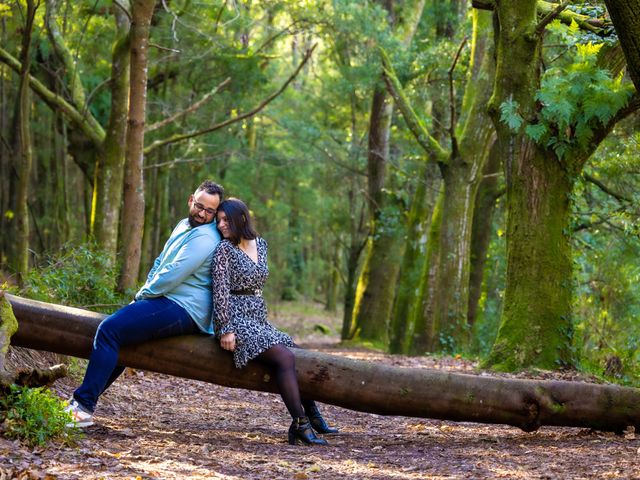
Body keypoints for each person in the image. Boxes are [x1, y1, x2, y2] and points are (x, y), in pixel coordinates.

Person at [66, 180, 224, 427]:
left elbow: (174, 273)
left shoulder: (206, 237)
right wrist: (147, 289)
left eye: (210, 211)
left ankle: (82, 407)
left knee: (109, 330)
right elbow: (162, 261)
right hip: (168, 298)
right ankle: (80, 408)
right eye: (200, 206)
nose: (203, 214)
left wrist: (141, 296)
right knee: (121, 338)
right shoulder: (184, 225)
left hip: (187, 308)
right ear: (190, 200)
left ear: (216, 213)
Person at [211, 198, 338, 446]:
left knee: (299, 354)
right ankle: (300, 424)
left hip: (258, 317)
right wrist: (225, 329)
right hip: (236, 320)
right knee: (285, 358)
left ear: (242, 218)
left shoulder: (262, 244)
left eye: (225, 220)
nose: (221, 225)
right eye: (219, 221)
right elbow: (220, 291)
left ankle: (313, 416)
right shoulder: (223, 250)